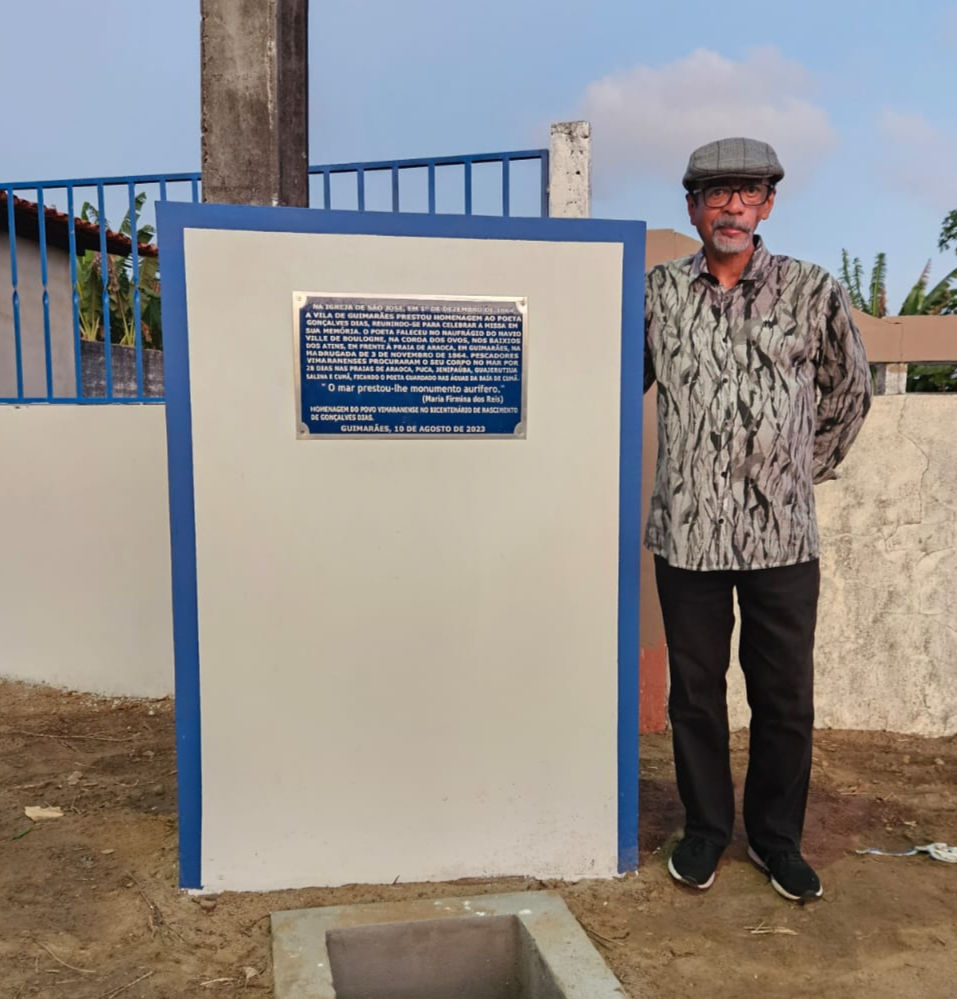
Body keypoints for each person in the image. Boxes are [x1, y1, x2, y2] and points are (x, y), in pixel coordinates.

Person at [643, 137, 872, 902]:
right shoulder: (657, 295)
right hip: (688, 534)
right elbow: (610, 379)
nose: (731, 207)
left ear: (768, 202)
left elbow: (848, 391)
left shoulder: (812, 290)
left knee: (782, 695)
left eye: (746, 192)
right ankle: (705, 831)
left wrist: (795, 473)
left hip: (782, 539)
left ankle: (776, 840)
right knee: (695, 695)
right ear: (692, 208)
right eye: (715, 194)